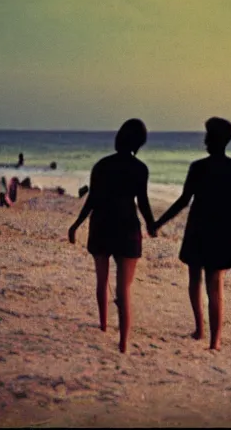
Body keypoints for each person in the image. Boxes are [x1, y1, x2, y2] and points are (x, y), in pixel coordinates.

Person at [154, 117, 231, 351]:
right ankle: (214, 341)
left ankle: (200, 330)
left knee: (195, 279)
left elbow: (183, 201)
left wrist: (158, 223)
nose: (204, 140)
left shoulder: (198, 167)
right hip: (221, 231)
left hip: (198, 229)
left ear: (213, 140)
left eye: (207, 136)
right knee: (215, 286)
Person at [68, 119, 157, 353]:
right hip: (127, 227)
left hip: (101, 225)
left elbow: (92, 200)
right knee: (123, 290)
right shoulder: (140, 169)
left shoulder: (101, 165)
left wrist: (76, 225)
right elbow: (143, 202)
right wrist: (151, 225)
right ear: (139, 143)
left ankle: (104, 325)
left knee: (101, 281)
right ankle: (123, 343)